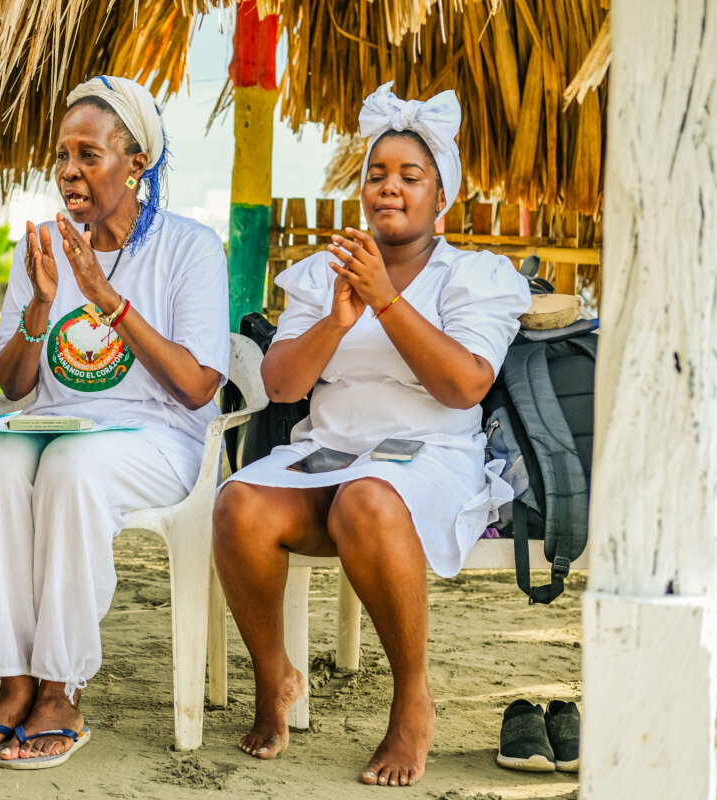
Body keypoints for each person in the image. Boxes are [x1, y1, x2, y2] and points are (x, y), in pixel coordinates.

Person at [212, 82, 530, 788]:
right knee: (238, 502)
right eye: (377, 175)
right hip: (329, 451)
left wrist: (386, 302)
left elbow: (465, 385)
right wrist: (337, 316)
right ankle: (276, 678)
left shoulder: (474, 276)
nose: (389, 187)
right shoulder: (324, 275)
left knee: (366, 498)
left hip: (429, 459)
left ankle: (412, 696)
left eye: (409, 176)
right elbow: (286, 385)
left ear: (439, 196)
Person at [0, 75, 229, 770]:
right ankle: (12, 683)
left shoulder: (190, 248)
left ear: (137, 163)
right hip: (54, 423)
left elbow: (195, 386)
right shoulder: (42, 246)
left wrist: (107, 299)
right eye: (62, 155)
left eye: (88, 155)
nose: (69, 171)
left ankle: (61, 687)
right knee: (1, 462)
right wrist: (40, 309)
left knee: (70, 469)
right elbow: (10, 385)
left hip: (163, 437)